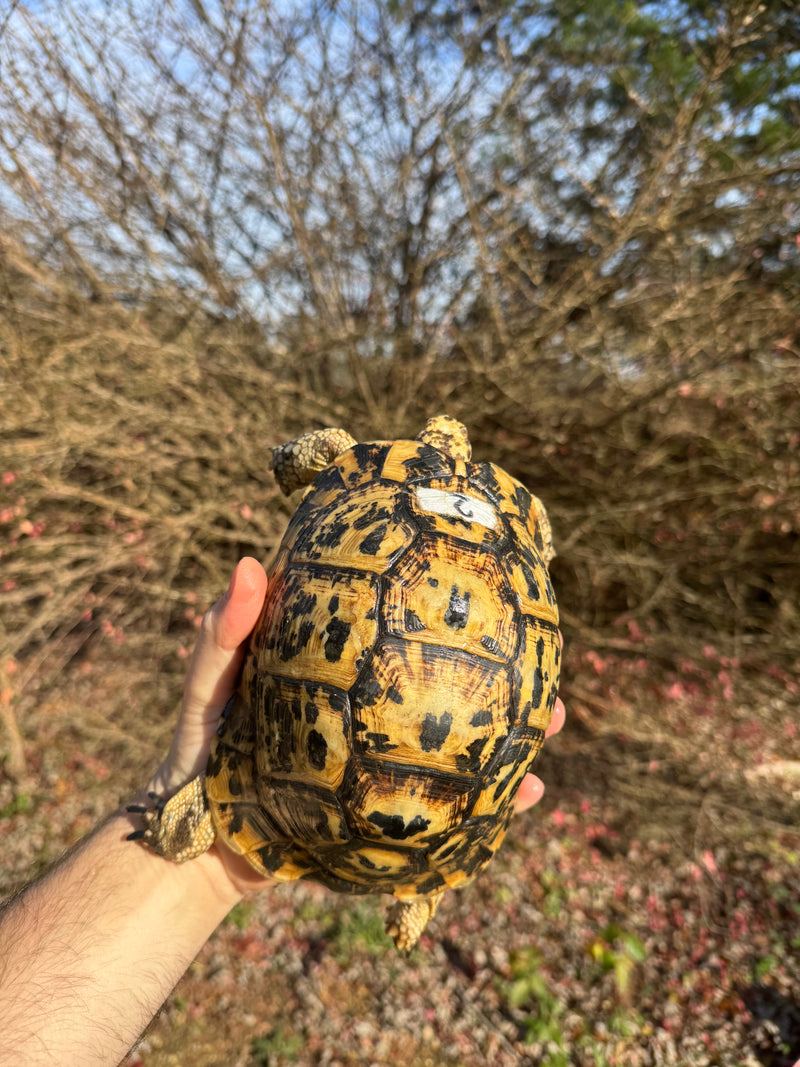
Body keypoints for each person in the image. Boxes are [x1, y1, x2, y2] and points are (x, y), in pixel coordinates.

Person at [0, 558, 566, 1066]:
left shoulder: (355, 474)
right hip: (429, 830)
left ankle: (417, 883)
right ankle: (419, 882)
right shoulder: (521, 534)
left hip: (291, 793)